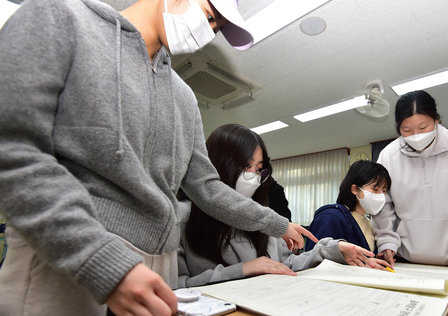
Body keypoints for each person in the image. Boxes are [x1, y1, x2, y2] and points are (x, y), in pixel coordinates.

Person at [0, 1, 316, 315]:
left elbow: (207, 188)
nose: (209, 33)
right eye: (209, 16)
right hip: (70, 252)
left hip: (157, 268)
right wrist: (101, 259)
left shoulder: (184, 97)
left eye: (217, 27)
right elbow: (15, 151)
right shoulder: (61, 18)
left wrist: (278, 223)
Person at [178, 124, 390, 288]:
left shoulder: (265, 217)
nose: (253, 177)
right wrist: (243, 270)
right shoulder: (183, 217)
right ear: (216, 164)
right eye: (245, 166)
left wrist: (335, 251)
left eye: (258, 169)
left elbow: (286, 264)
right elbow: (175, 286)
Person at [372, 90, 448, 269]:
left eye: (423, 127)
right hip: (403, 259)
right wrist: (387, 242)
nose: (416, 135)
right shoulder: (388, 156)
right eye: (407, 130)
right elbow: (383, 205)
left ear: (436, 120)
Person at [305, 160, 391, 253]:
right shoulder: (330, 217)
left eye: (384, 190)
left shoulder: (369, 222)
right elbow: (315, 258)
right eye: (375, 189)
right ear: (355, 189)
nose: (381, 196)